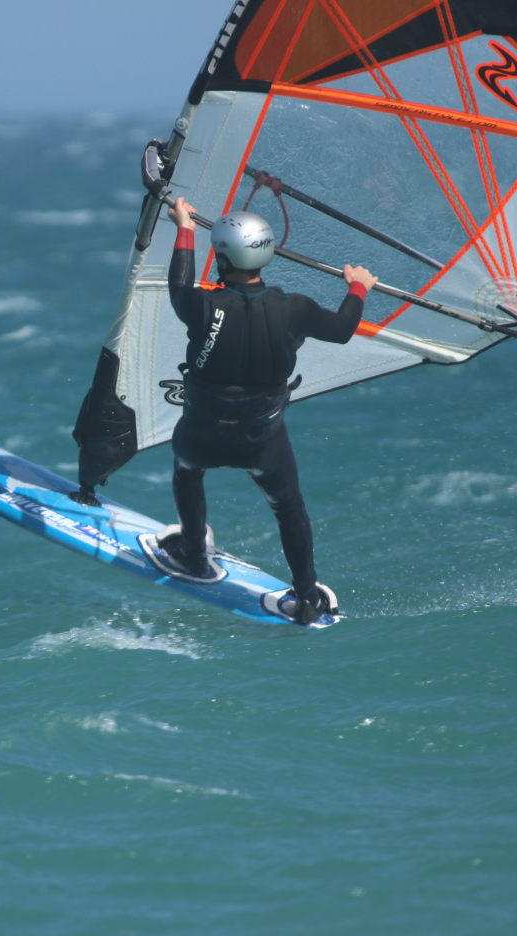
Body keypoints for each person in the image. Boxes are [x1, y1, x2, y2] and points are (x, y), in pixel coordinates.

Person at [156, 196, 377, 624]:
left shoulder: (201, 306)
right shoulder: (295, 309)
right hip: (261, 442)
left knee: (187, 471)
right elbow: (342, 330)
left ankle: (195, 555)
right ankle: (307, 596)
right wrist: (358, 287)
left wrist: (185, 226)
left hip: (200, 435)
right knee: (288, 507)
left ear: (222, 259)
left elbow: (179, 287)